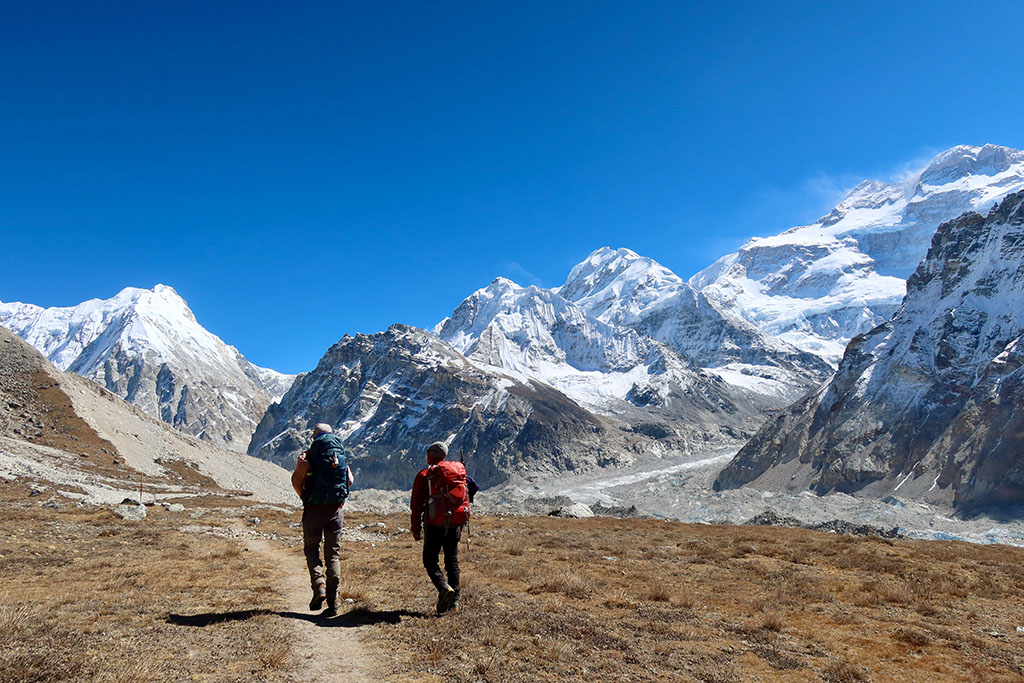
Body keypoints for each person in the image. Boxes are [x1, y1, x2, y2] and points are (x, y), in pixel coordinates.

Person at [291, 423, 354, 618]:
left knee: (311, 549)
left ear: (315, 437)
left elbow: (296, 481)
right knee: (333, 555)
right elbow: (349, 480)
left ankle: (319, 586)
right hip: (335, 512)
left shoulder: (308, 455)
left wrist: (305, 497)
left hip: (313, 511)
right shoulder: (339, 454)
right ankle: (334, 601)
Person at [409, 441, 478, 614]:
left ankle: (443, 588)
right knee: (452, 561)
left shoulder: (425, 475)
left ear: (431, 455)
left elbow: (416, 504)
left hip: (434, 523)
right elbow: (473, 488)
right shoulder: (457, 473)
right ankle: (454, 601)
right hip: (455, 522)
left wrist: (415, 527)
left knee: (430, 560)